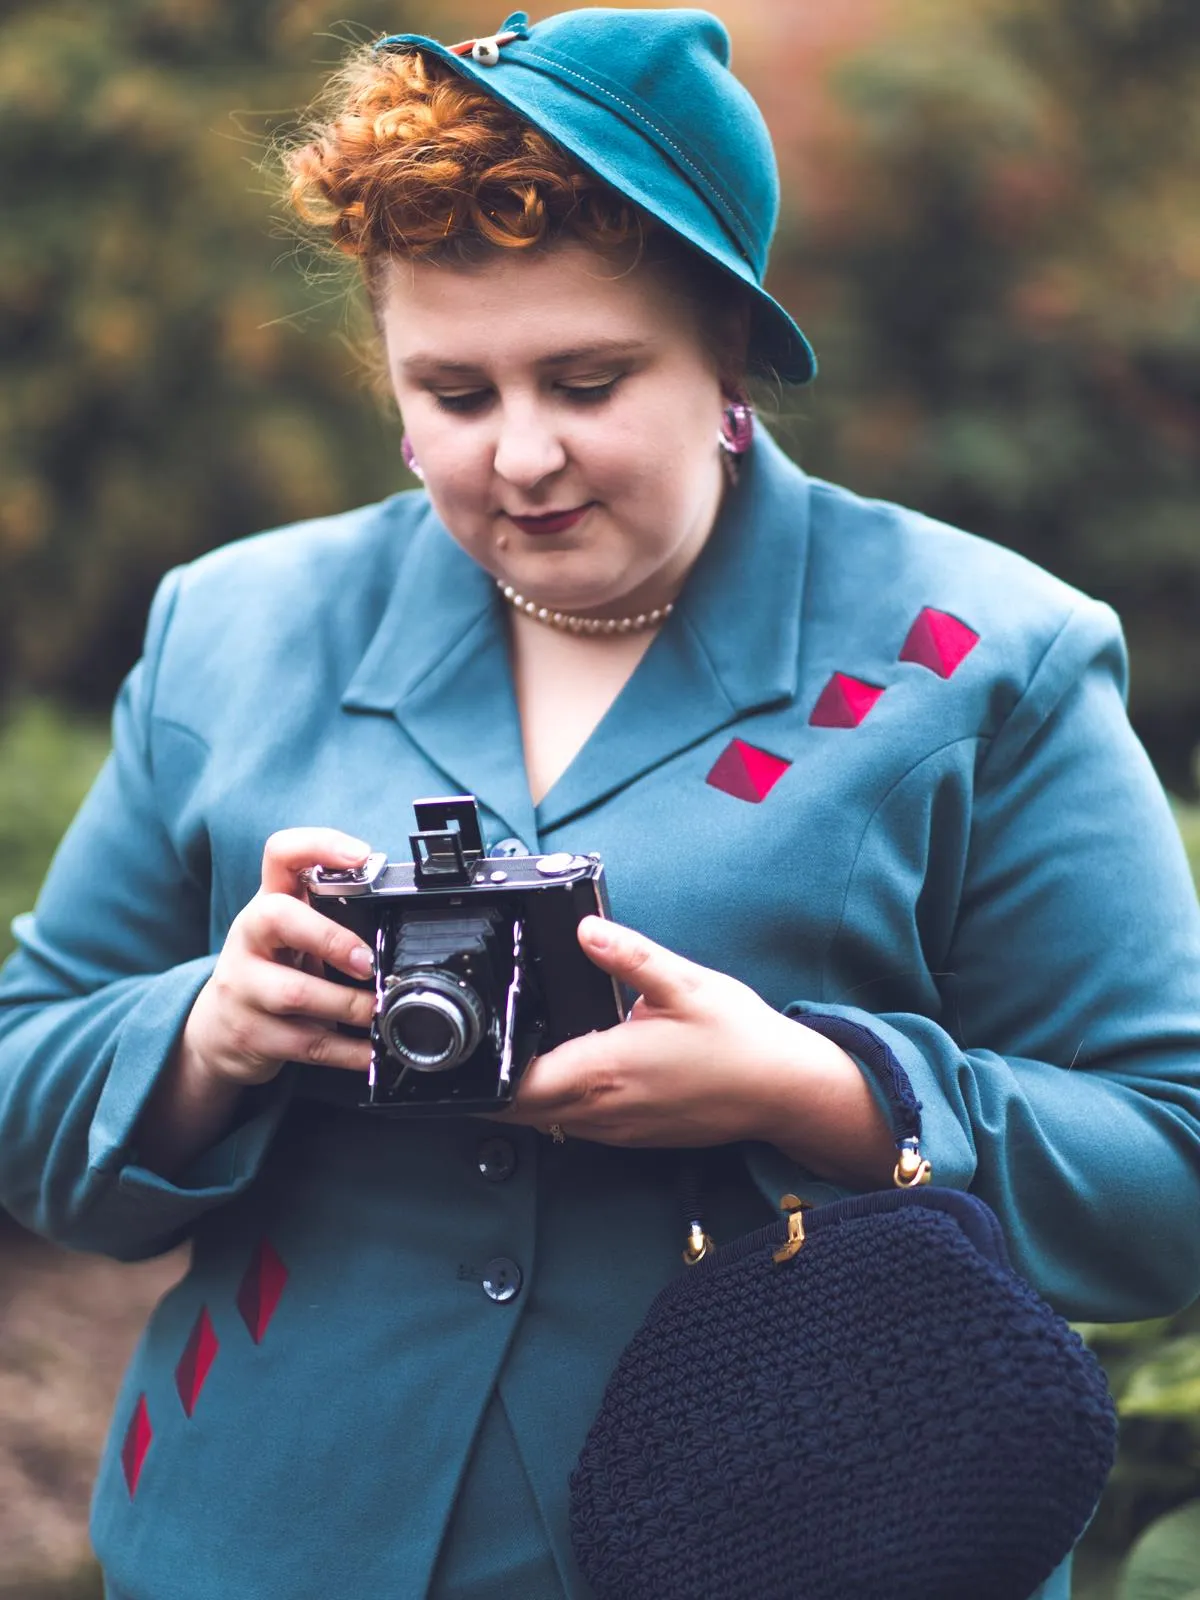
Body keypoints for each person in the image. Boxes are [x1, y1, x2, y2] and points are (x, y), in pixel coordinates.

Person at [1, 8, 1198, 1599]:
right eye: (455, 391)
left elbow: (1172, 1171)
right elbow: (28, 1082)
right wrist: (208, 1035)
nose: (523, 455)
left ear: (729, 355)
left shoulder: (994, 660)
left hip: (803, 1545)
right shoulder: (231, 626)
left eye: (588, 376)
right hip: (256, 1541)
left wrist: (819, 1091)